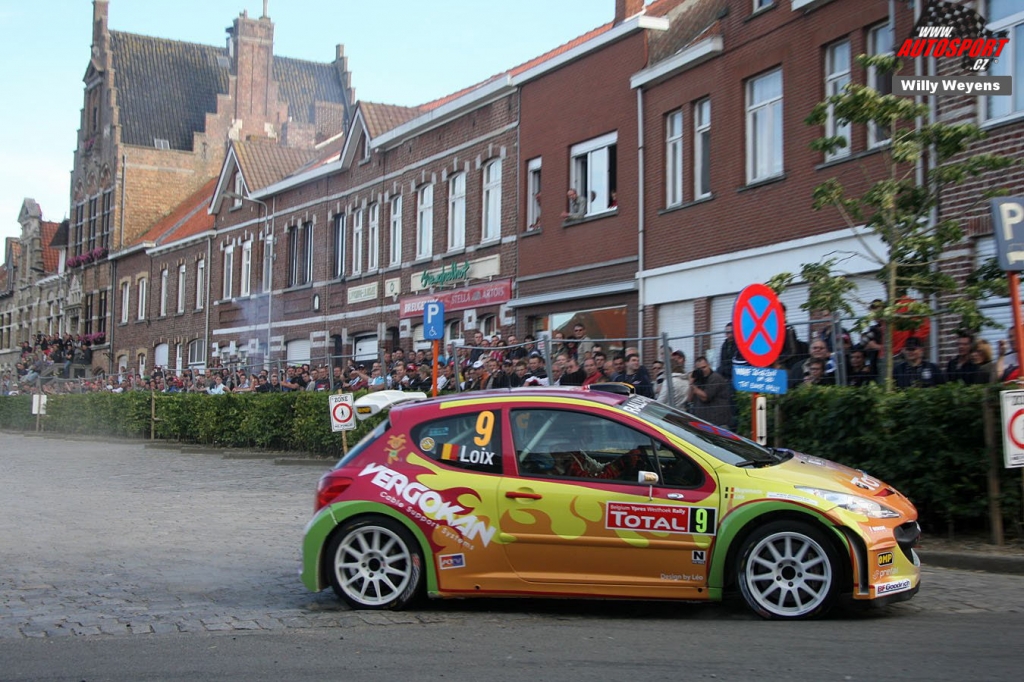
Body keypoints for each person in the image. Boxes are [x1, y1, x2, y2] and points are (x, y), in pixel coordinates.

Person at [688, 356, 731, 427]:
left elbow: (705, 397)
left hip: (717, 422)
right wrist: (691, 383)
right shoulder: (698, 379)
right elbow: (689, 399)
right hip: (703, 421)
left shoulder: (715, 378)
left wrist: (694, 387)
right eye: (699, 369)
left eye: (704, 367)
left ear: (709, 365)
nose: (702, 370)